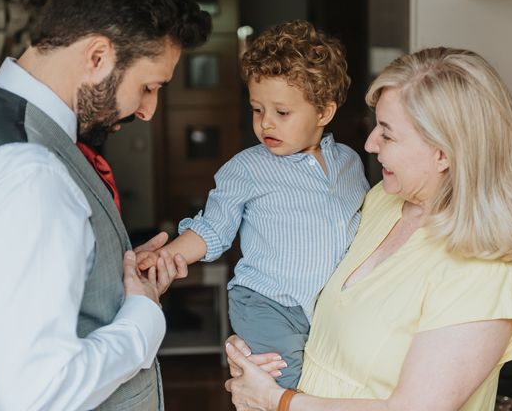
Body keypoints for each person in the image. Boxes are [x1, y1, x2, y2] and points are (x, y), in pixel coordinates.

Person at [0, 0, 210, 410]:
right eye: (148, 87)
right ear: (98, 56)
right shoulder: (28, 174)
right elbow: (32, 395)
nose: (148, 111)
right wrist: (143, 317)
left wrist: (120, 283)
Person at [223, 46, 512, 411]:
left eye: (387, 134)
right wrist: (263, 354)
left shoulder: (484, 273)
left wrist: (277, 400)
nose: (369, 144)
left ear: (442, 152)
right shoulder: (385, 199)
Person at [138, 20, 369, 388]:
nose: (266, 124)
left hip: (327, 306)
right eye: (257, 109)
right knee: (286, 383)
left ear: (324, 113)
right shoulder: (247, 168)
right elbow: (212, 229)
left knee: (334, 381)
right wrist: (165, 257)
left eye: (282, 112)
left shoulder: (350, 164)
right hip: (268, 304)